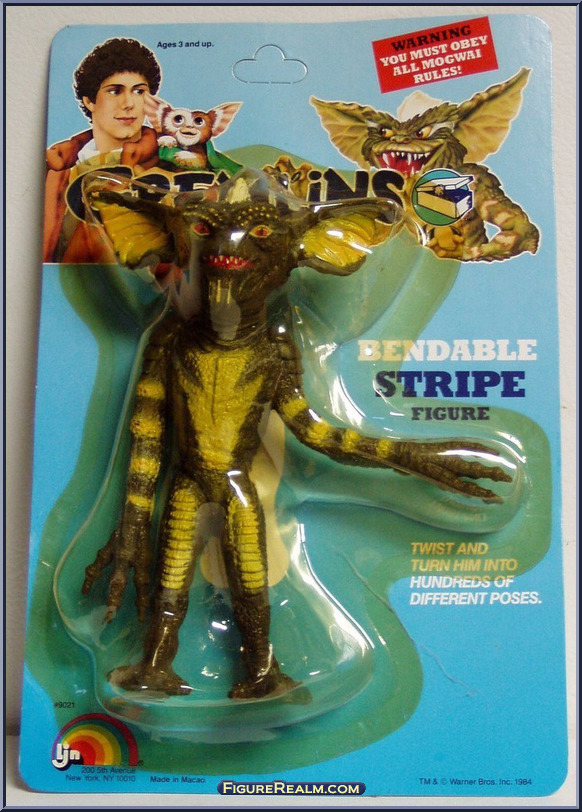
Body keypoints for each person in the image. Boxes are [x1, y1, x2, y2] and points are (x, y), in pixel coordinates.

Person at [44, 38, 162, 263]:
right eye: (115, 91)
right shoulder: (56, 171)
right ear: (90, 101)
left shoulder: (171, 163)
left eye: (139, 91)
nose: (129, 103)